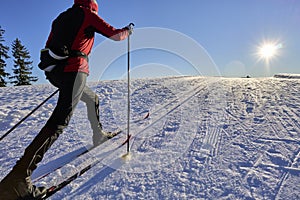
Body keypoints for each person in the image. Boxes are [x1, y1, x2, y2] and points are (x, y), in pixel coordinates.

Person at [0, 0, 132, 199]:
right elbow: (115, 35)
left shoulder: (61, 17)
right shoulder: (88, 14)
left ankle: (98, 135)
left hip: (57, 72)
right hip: (75, 69)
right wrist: (128, 31)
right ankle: (18, 178)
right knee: (59, 122)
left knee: (92, 98)